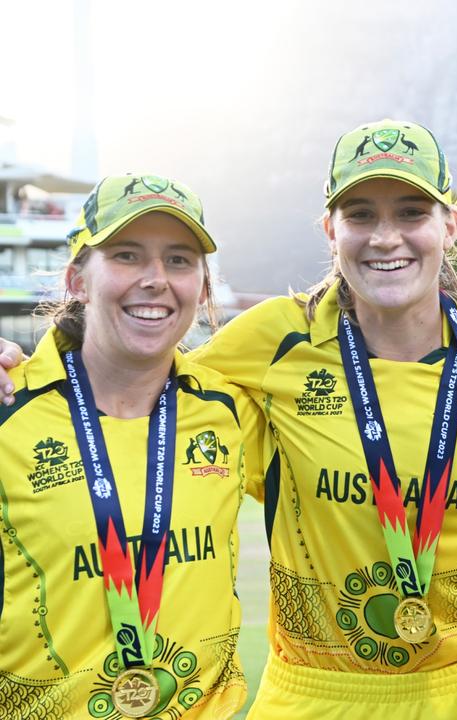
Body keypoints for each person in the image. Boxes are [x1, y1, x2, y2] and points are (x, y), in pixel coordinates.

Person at [0, 120, 457, 717]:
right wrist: (24, 372)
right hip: (314, 697)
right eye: (360, 215)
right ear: (330, 231)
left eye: (411, 213)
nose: (385, 237)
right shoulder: (273, 338)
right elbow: (133, 372)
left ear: (449, 225)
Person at [0, 174, 262, 718]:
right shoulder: (9, 411)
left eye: (179, 259)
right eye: (126, 255)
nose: (155, 279)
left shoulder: (234, 410)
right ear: (77, 279)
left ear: (204, 287)